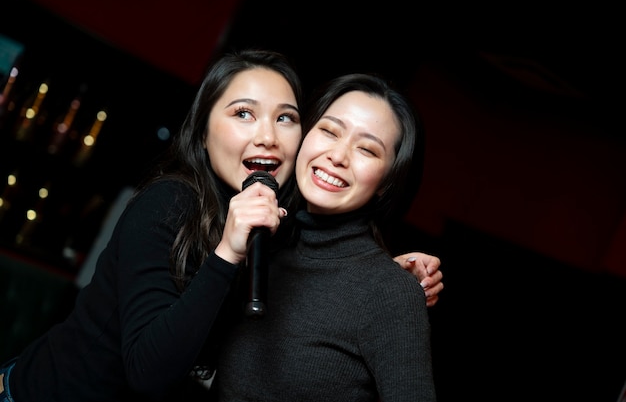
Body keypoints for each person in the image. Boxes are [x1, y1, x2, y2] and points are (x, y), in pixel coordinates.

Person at [0, 49, 441, 402]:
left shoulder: (274, 227)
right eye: (243, 113)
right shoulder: (170, 203)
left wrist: (387, 280)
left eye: (285, 117)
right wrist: (226, 252)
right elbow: (148, 375)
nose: (267, 135)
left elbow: (328, 264)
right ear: (203, 129)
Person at [212, 73, 436, 401]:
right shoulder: (262, 243)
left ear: (387, 182)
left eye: (367, 150)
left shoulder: (391, 293)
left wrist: (392, 289)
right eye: (329, 131)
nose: (338, 156)